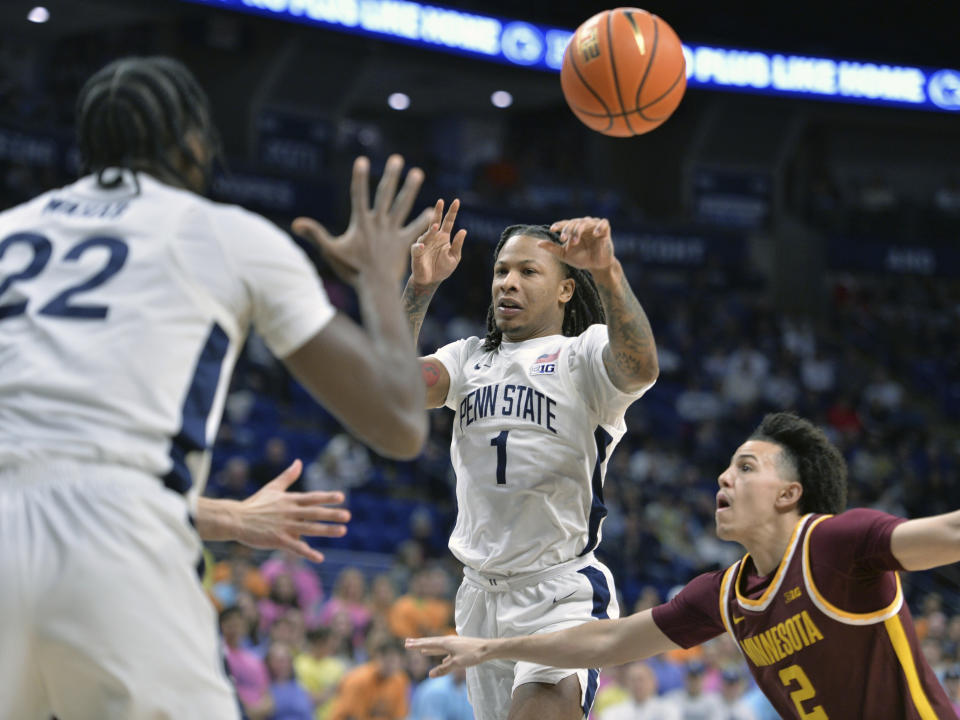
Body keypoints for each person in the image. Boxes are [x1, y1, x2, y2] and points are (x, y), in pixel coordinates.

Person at [0, 55, 433, 719]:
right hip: (116, 544)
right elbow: (402, 422)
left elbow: (43, 467)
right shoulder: (225, 234)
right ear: (196, 144)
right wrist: (379, 275)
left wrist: (226, 517)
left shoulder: (9, 230)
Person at [409, 413, 960, 719]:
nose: (723, 478)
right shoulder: (723, 595)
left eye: (745, 468)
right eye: (726, 467)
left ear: (790, 493)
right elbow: (606, 643)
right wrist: (491, 647)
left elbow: (950, 532)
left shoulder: (836, 543)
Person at [396, 200, 659, 720]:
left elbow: (641, 366)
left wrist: (606, 272)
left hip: (558, 594)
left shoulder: (583, 355)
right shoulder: (468, 358)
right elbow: (386, 387)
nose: (507, 283)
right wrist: (420, 288)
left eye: (527, 271)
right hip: (478, 595)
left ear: (565, 288)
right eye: (500, 271)